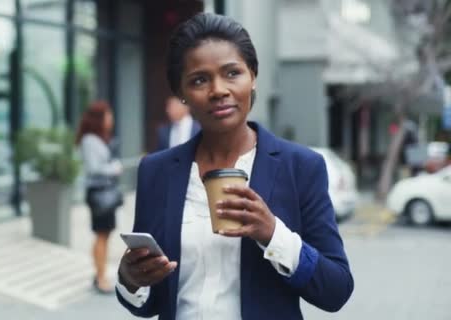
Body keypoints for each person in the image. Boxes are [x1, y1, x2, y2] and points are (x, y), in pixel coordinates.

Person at [116, 13, 353, 319]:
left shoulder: (301, 167)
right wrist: (130, 280)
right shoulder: (156, 171)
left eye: (232, 73)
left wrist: (273, 234)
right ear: (181, 94)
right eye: (199, 80)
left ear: (253, 76)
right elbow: (148, 302)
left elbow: (336, 290)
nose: (218, 90)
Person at [76, 100, 123, 294]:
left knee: (104, 235)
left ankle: (100, 274)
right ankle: (100, 276)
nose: (110, 119)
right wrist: (114, 169)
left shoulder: (99, 139)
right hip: (99, 194)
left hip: (104, 193)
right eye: (108, 115)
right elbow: (93, 168)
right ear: (98, 119)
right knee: (101, 235)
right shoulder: (90, 140)